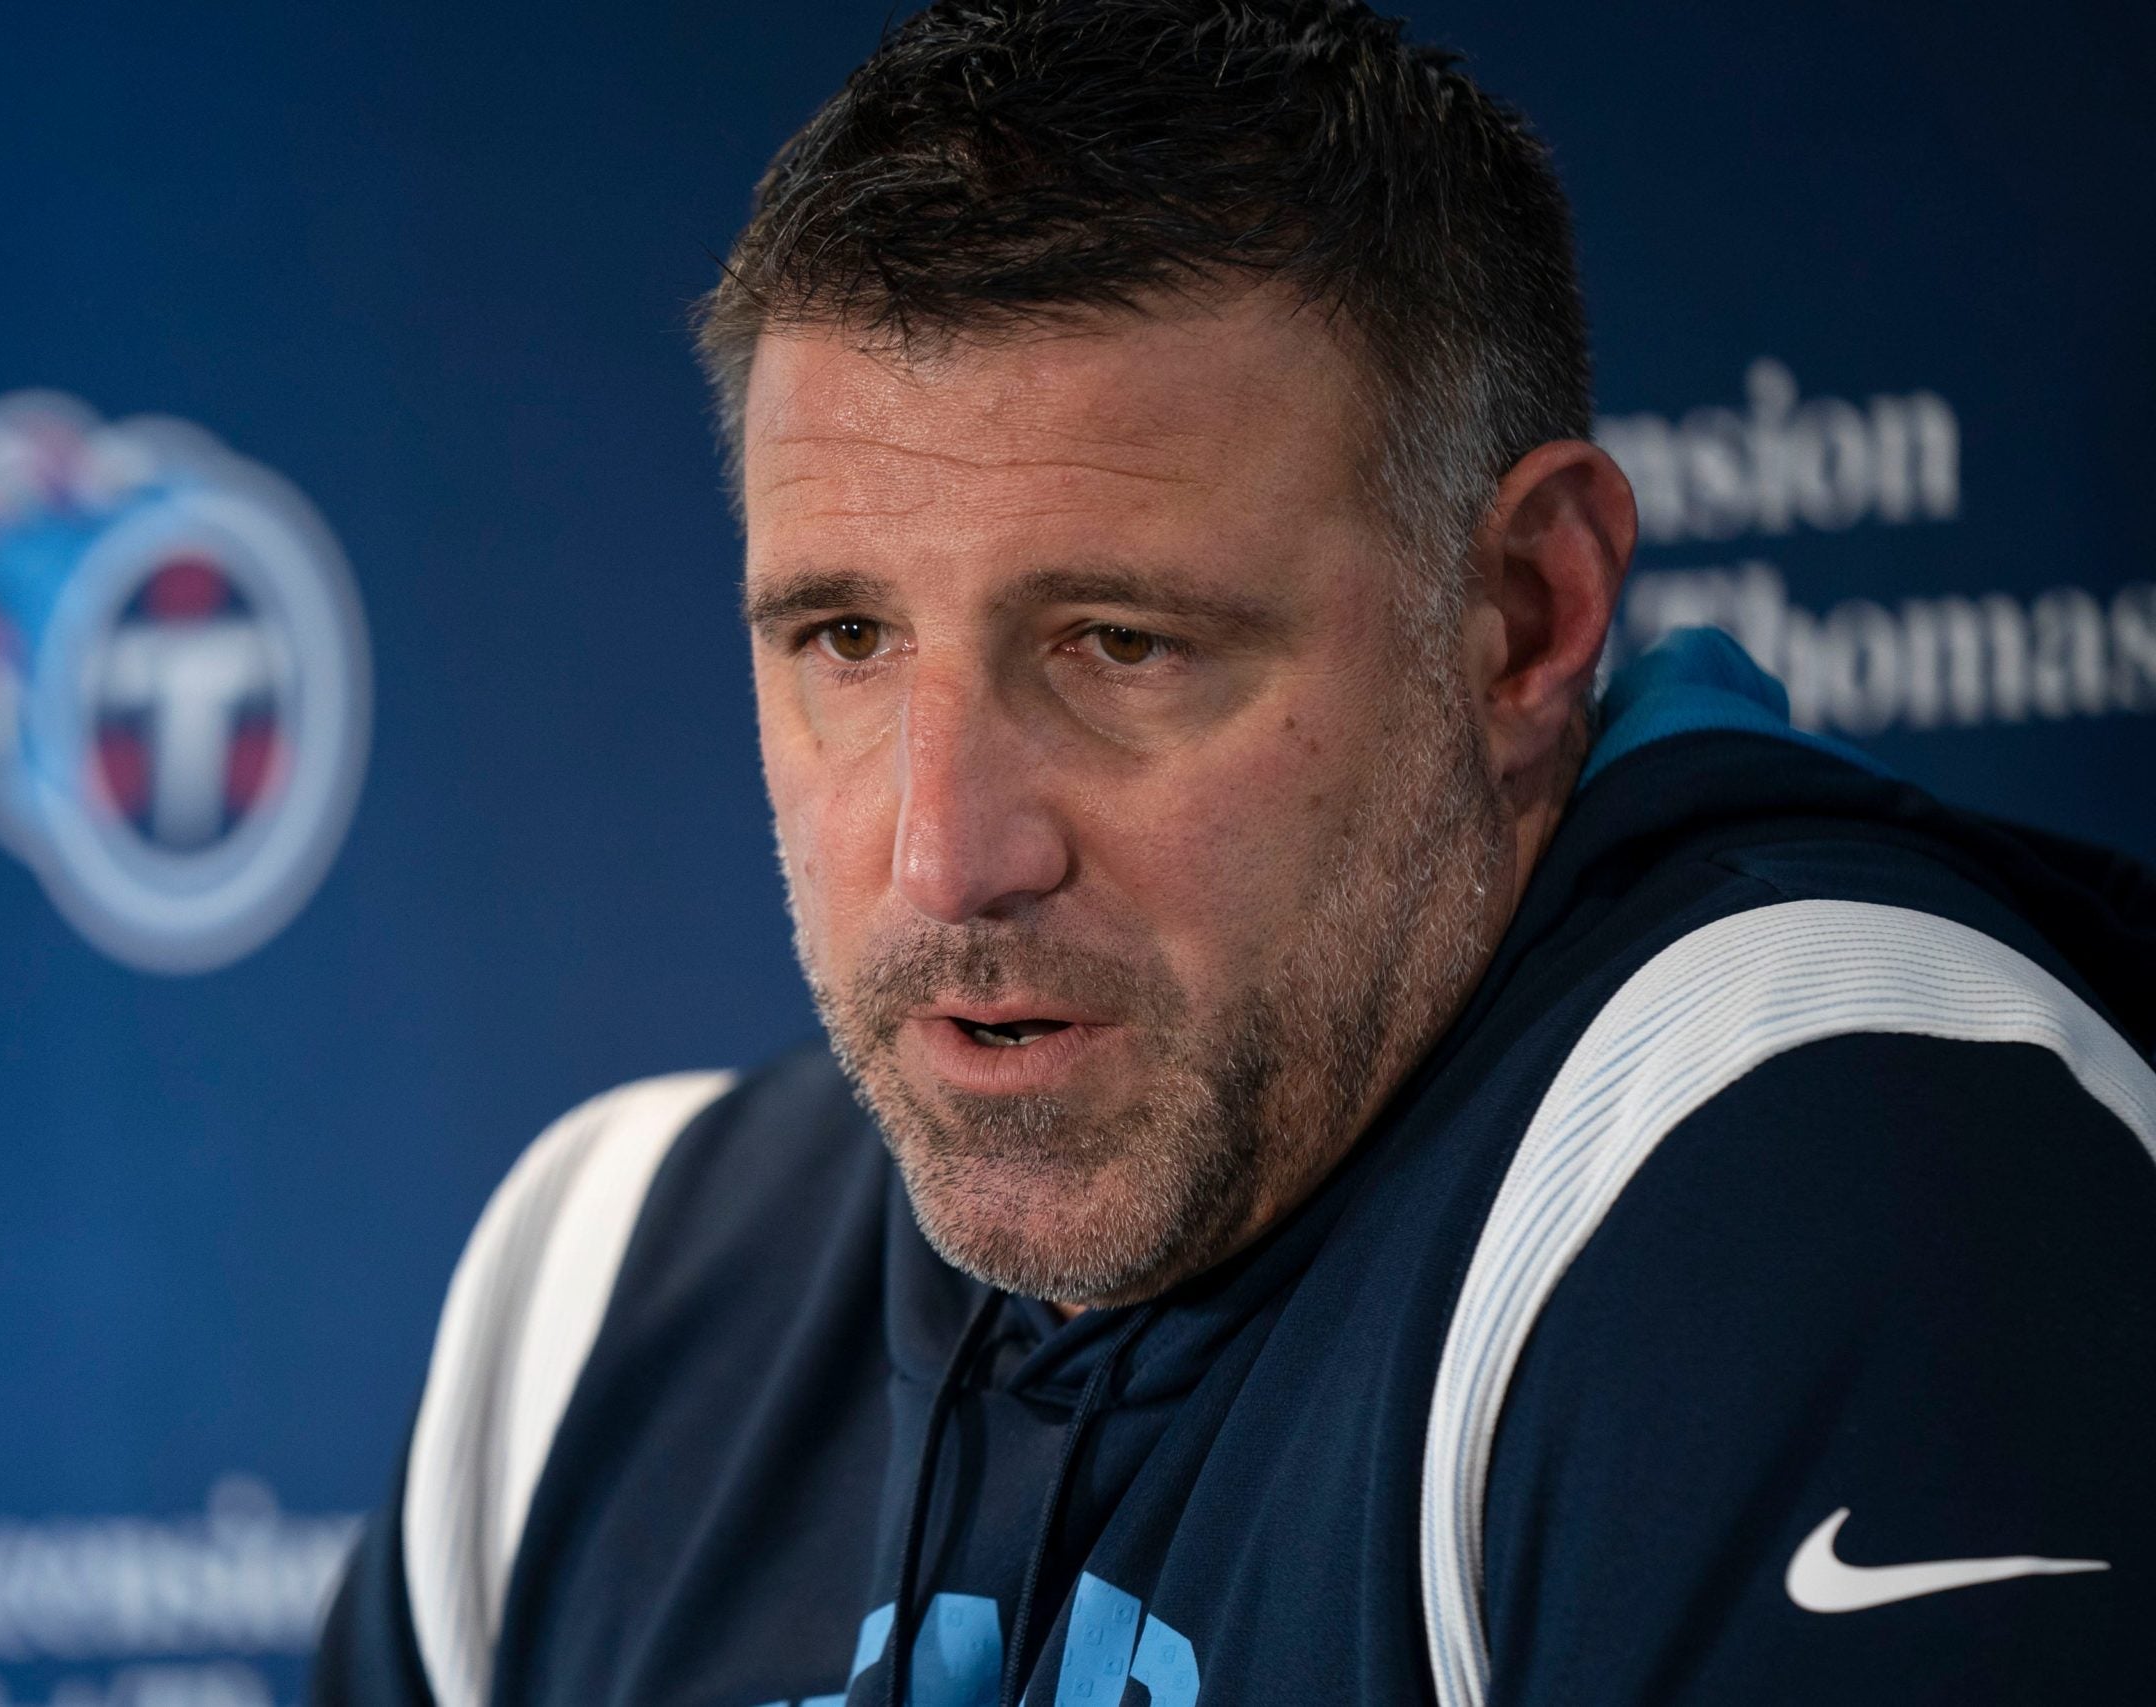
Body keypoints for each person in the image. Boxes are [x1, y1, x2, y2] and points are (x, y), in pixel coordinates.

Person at [313, 2, 2156, 1702]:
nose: (947, 856)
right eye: (845, 642)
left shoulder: (1816, 1158)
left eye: (1118, 644)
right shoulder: (603, 1291)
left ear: (1521, 617)